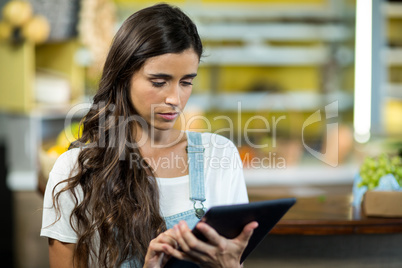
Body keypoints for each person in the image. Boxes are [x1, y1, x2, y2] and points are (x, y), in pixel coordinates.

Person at [40, 3, 258, 268]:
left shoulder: (221, 155)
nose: (175, 99)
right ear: (123, 77)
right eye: (158, 82)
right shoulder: (75, 170)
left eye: (186, 82)